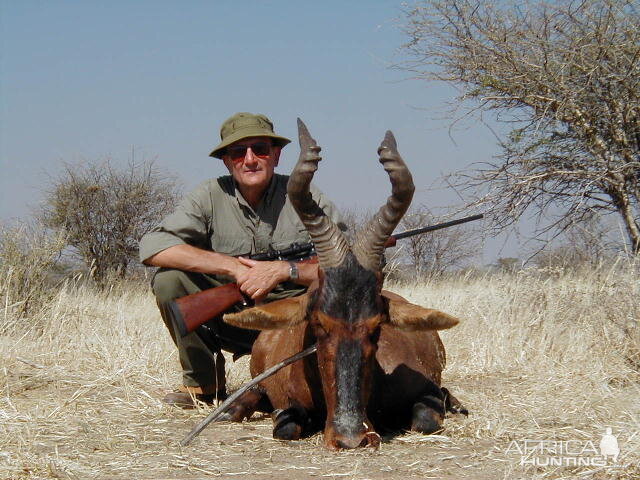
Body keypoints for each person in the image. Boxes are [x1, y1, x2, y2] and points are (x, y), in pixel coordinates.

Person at [139, 112, 343, 408]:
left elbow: (347, 266)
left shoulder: (306, 195)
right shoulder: (208, 195)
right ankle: (204, 386)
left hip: (297, 324)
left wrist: (285, 270)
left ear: (276, 154)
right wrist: (233, 267)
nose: (250, 159)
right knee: (169, 280)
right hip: (235, 319)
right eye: (238, 152)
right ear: (226, 160)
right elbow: (153, 247)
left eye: (260, 149)